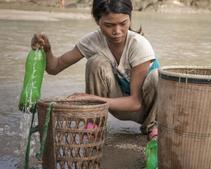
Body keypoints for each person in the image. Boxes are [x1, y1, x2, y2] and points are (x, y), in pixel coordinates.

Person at [31, 0, 159, 139]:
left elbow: (136, 102)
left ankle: (154, 127)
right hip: (121, 106)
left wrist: (91, 98)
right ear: (98, 21)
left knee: (156, 77)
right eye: (109, 25)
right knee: (95, 62)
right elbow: (54, 67)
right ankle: (94, 124)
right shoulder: (93, 41)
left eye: (123, 23)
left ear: (130, 18)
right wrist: (47, 49)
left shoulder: (138, 44)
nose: (117, 31)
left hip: (151, 108)